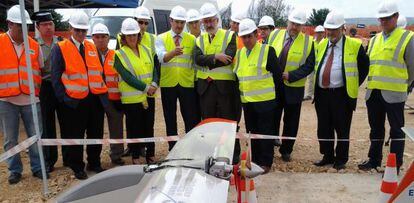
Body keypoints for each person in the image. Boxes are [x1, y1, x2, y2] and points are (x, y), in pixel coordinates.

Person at [358, 1, 414, 174]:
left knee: (397, 130)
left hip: (395, 94)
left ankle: (394, 166)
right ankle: (374, 160)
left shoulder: (407, 38)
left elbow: (412, 68)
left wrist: (404, 86)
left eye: (387, 18)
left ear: (396, 17)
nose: (383, 22)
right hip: (373, 92)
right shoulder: (374, 40)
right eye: (381, 19)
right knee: (376, 129)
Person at [51, 11, 108, 180]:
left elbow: (99, 71)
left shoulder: (91, 46)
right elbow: (56, 77)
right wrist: (64, 99)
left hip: (95, 99)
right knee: (75, 135)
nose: (81, 34)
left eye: (84, 30)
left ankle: (94, 162)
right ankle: (77, 166)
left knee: (95, 133)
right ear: (70, 28)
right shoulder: (60, 48)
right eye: (78, 30)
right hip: (74, 101)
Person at [313, 11, 369, 170]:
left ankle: (341, 159)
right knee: (324, 127)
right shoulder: (322, 44)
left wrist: (352, 83)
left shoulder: (355, 45)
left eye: (333, 29)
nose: (330, 32)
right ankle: (327, 155)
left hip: (341, 95)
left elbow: (364, 67)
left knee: (342, 127)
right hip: (322, 94)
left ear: (342, 29)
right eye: (328, 29)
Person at [0, 5, 48, 185]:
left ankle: (38, 168)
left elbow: (40, 69)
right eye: (19, 25)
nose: (24, 29)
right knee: (10, 140)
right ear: (9, 24)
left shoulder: (34, 46)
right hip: (6, 100)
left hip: (31, 99)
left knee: (35, 137)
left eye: (26, 25)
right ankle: (15, 170)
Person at [233, 19, 282, 173]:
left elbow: (277, 77)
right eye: (244, 37)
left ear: (256, 34)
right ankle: (255, 159)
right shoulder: (240, 53)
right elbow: (238, 76)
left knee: (265, 132)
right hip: (247, 102)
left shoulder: (268, 51)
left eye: (249, 36)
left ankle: (266, 162)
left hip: (265, 102)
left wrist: (275, 99)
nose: (247, 40)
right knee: (252, 132)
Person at [267, 8, 315, 162]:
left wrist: (292, 75)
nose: (294, 27)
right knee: (272, 116)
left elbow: (309, 65)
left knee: (291, 121)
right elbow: (265, 55)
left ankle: (286, 149)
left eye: (298, 25)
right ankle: (271, 143)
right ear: (287, 21)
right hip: (273, 86)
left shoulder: (309, 42)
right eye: (293, 23)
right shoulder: (274, 35)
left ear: (303, 26)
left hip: (294, 88)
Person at [195, 3, 240, 163]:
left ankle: (232, 156)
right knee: (209, 124)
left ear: (217, 20)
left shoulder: (229, 36)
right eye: (205, 21)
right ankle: (211, 156)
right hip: (206, 89)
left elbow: (227, 58)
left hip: (225, 89)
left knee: (228, 123)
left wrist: (210, 59)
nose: (208, 24)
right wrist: (215, 56)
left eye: (211, 20)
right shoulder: (199, 39)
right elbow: (197, 59)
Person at [114, 18, 159, 164]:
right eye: (129, 35)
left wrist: (154, 83)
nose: (132, 38)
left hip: (148, 96)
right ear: (124, 37)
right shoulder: (119, 54)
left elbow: (155, 68)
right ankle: (135, 157)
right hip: (132, 99)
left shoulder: (146, 50)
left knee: (149, 126)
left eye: (134, 34)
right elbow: (127, 77)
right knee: (135, 128)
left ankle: (150, 154)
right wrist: (147, 88)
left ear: (138, 35)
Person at [156, 6, 200, 150]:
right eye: (177, 22)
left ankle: (191, 147)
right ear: (171, 21)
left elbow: (195, 62)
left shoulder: (192, 39)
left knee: (190, 118)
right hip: (168, 84)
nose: (180, 25)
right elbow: (161, 58)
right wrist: (172, 53)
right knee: (170, 118)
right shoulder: (161, 38)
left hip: (187, 84)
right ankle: (173, 147)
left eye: (182, 22)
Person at [31, 11, 65, 173]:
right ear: (37, 27)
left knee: (66, 123)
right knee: (47, 125)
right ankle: (49, 160)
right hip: (45, 87)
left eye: (50, 23)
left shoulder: (62, 42)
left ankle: (69, 158)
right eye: (44, 24)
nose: (48, 27)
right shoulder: (34, 45)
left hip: (62, 86)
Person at [91, 23, 125, 166]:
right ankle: (94, 160)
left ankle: (116, 155)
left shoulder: (116, 55)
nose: (100, 40)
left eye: (103, 37)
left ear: (108, 38)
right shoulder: (88, 55)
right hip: (95, 98)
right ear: (93, 38)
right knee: (94, 129)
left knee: (116, 126)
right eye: (97, 37)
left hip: (113, 98)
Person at [304, 25, 325, 101]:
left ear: (323, 33)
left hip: (321, 65)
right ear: (315, 33)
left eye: (321, 33)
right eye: (317, 33)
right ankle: (308, 95)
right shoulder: (312, 43)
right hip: (312, 64)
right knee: (310, 79)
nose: (319, 34)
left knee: (319, 80)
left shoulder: (326, 43)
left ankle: (316, 95)